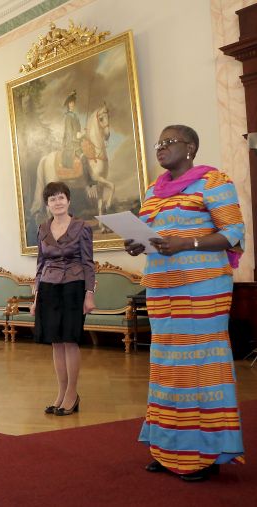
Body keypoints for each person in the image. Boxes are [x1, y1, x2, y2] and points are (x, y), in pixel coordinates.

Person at [124, 124, 245, 482]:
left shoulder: (213, 182)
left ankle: (204, 455)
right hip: (162, 288)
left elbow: (233, 234)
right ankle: (168, 449)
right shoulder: (153, 190)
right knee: (167, 366)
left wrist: (186, 244)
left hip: (203, 287)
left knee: (199, 366)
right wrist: (136, 243)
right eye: (158, 143)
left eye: (169, 142)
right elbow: (151, 235)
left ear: (190, 147)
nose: (160, 148)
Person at [31, 181, 96, 416]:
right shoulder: (42, 229)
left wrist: (89, 295)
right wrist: (35, 298)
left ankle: (72, 393)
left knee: (70, 340)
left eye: (61, 198)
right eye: (52, 199)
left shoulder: (82, 227)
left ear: (68, 201)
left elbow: (88, 263)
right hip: (48, 288)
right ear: (47, 204)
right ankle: (61, 393)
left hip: (73, 287)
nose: (57, 202)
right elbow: (40, 265)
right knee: (55, 342)